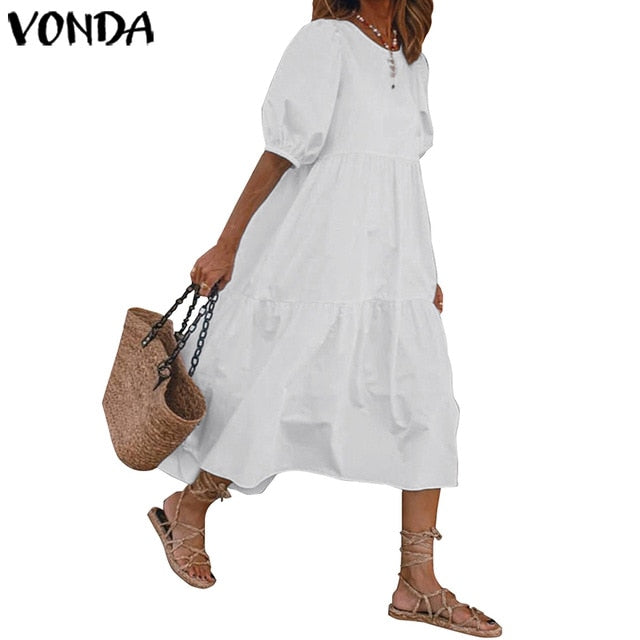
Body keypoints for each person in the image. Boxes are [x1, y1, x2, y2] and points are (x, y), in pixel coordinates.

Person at [147, 1, 501, 636]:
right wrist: (227, 243)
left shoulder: (413, 59)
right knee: (275, 391)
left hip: (393, 268)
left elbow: (403, 174)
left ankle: (417, 582)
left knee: (427, 405)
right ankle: (188, 507)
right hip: (315, 254)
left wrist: (423, 268)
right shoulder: (326, 42)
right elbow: (280, 153)